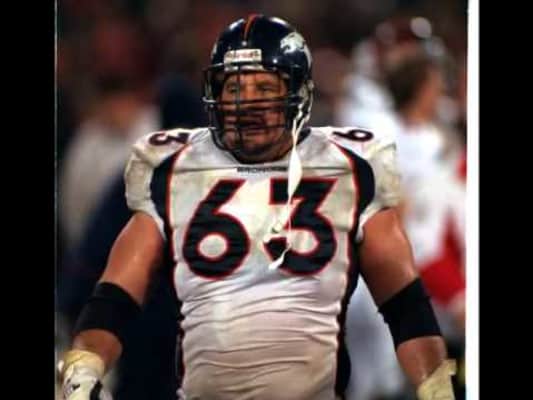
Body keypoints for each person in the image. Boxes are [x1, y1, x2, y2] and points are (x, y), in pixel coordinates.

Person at [58, 15, 456, 400]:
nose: (246, 103)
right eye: (233, 88)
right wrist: (84, 368)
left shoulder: (351, 166)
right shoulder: (173, 167)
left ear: (299, 93)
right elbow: (115, 295)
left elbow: (405, 304)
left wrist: (436, 388)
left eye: (264, 88)